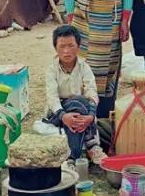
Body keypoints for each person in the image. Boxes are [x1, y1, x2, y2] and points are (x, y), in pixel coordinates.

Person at [43, 25, 107, 164]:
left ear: (78, 47)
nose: (66, 51)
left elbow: (91, 91)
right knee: (78, 102)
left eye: (71, 46)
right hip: (58, 113)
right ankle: (91, 145)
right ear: (55, 48)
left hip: (82, 111)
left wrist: (90, 116)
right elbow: (52, 97)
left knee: (80, 102)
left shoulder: (84, 67)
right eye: (62, 46)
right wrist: (63, 116)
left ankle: (72, 158)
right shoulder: (51, 70)